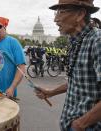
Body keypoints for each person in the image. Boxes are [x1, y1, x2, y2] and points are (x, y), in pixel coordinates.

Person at [35, 0, 101, 130]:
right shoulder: (75, 41)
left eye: (61, 12)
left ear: (80, 14)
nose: (55, 19)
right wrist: (50, 92)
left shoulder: (97, 41)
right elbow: (77, 81)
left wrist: (80, 124)